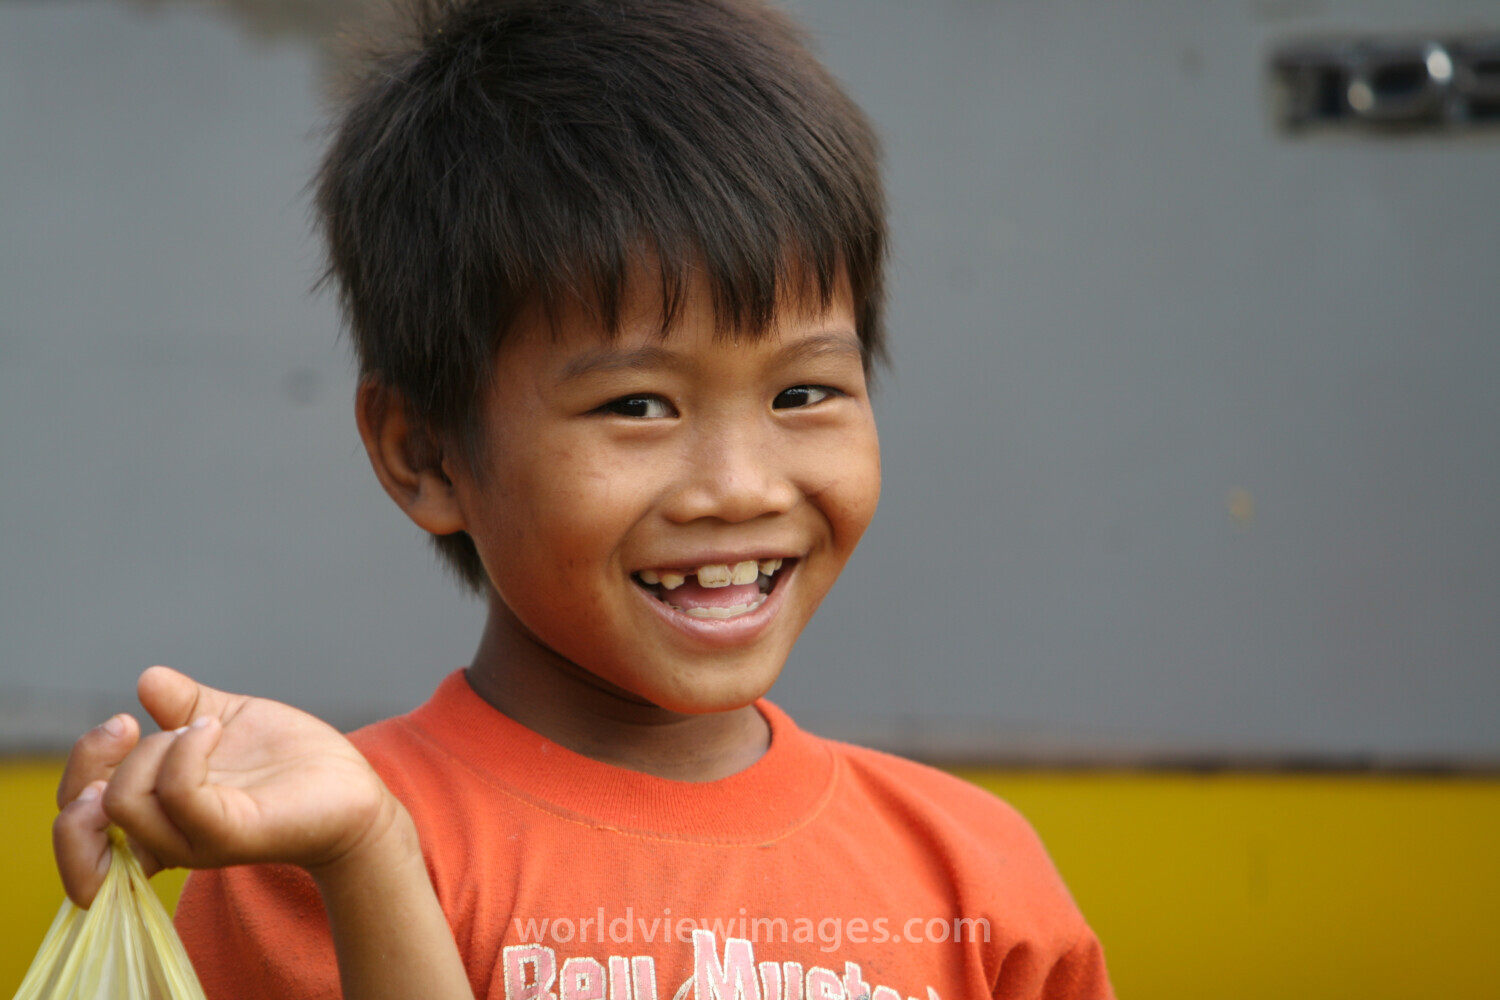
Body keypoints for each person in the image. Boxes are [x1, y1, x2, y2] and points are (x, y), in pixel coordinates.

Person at [52, 1, 1114, 997]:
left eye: (803, 391)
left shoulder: (977, 882)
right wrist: (368, 859)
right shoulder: (309, 847)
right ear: (425, 454)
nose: (740, 486)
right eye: (640, 405)